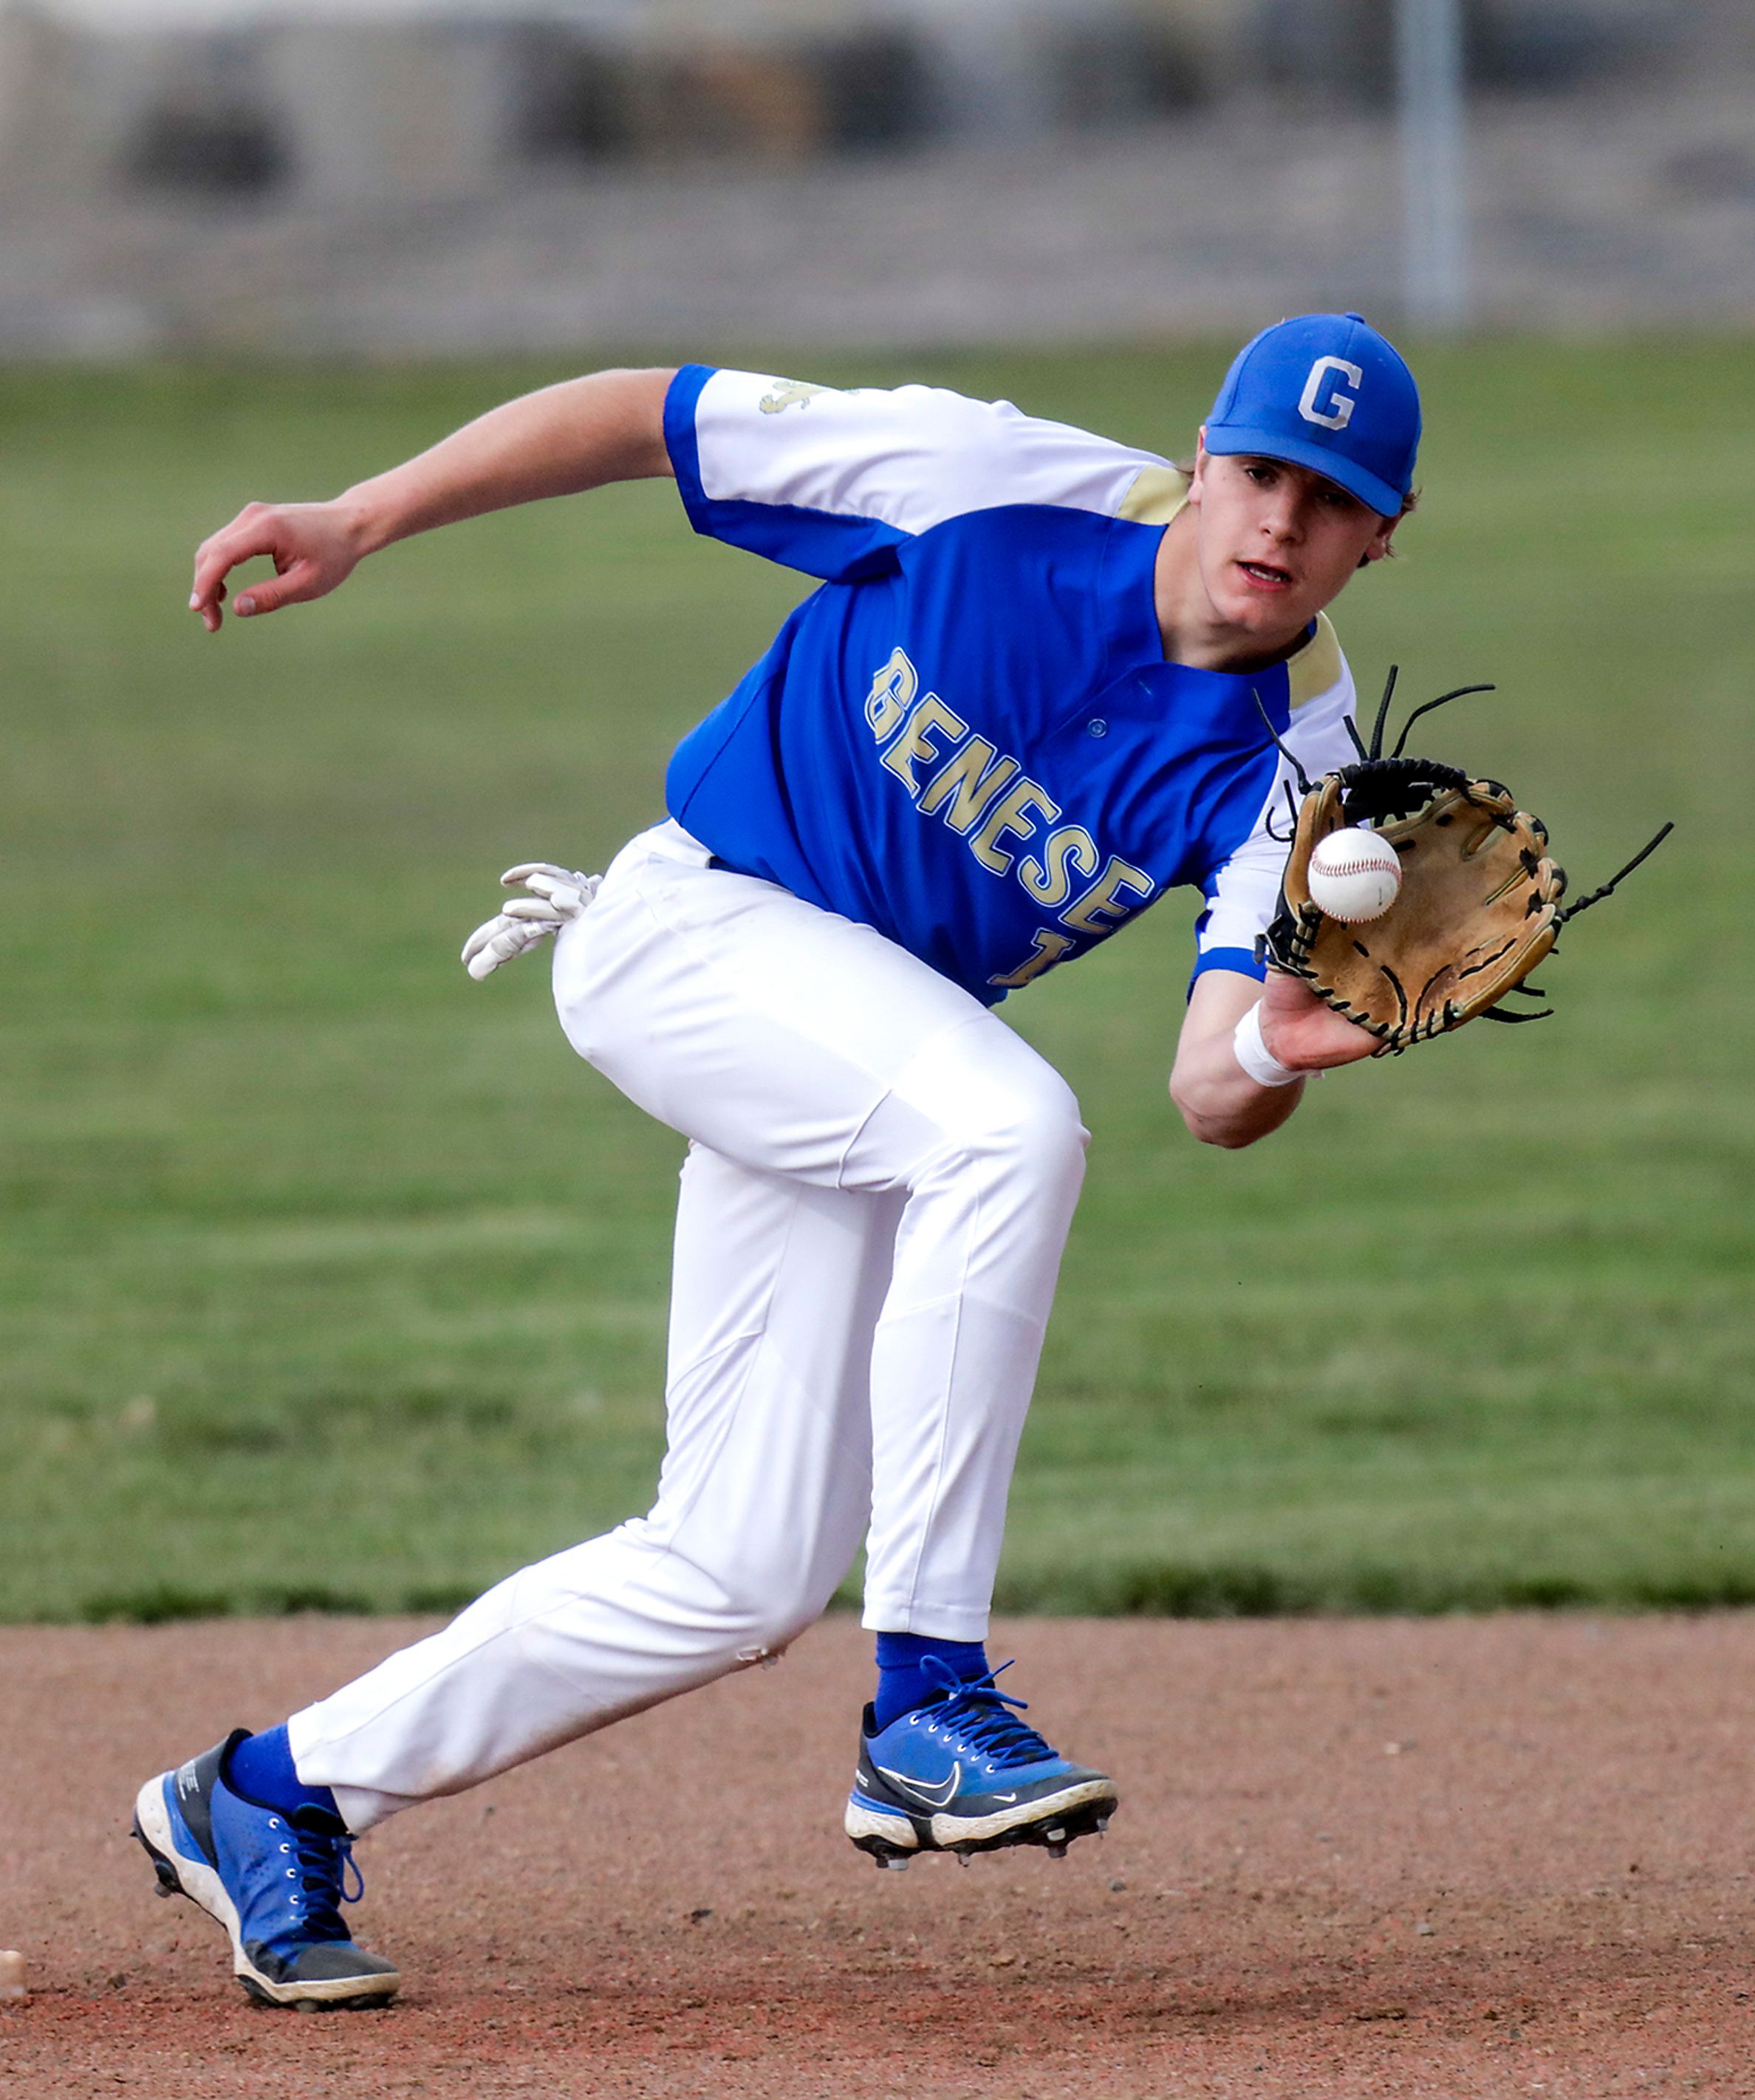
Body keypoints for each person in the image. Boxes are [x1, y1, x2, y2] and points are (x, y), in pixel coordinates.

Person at [134, 316, 1420, 2007]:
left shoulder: (1303, 782)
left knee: (734, 1573)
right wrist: (364, 517)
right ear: (1203, 453)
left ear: (1376, 541)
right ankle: (926, 1700)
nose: (1276, 524)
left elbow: (1208, 1086)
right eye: (1258, 473)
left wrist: (1287, 1044)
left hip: (852, 1059)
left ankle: (263, 1796)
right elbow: (638, 417)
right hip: (694, 931)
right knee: (1008, 1124)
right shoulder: (987, 483)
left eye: (1325, 504)